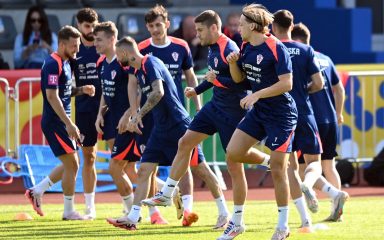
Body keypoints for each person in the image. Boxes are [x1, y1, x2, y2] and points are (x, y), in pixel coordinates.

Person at [141, 9, 270, 231]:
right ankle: (167, 193)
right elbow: (215, 77)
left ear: (213, 28)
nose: (197, 34)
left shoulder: (229, 47)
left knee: (234, 165)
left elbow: (242, 82)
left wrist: (215, 81)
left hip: (232, 112)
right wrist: (197, 89)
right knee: (184, 142)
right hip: (214, 108)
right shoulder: (211, 49)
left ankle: (238, 212)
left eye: (200, 30)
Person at [138, 5, 230, 228]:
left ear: (167, 24)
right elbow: (133, 82)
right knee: (148, 168)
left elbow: (190, 77)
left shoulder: (181, 47)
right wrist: (134, 112)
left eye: (158, 25)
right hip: (152, 118)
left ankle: (191, 210)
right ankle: (153, 214)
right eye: (150, 26)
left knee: (194, 165)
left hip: (178, 116)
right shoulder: (141, 49)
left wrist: (198, 106)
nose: (155, 30)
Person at [105, 36, 203, 231]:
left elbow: (158, 93)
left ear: (125, 53)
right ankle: (132, 218)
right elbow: (137, 91)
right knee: (143, 171)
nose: (117, 59)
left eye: (118, 55)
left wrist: (137, 115)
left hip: (177, 123)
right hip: (160, 127)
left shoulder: (150, 63)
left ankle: (224, 213)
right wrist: (134, 114)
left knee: (201, 169)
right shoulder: (138, 69)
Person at [225, 4, 297, 239]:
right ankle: (236, 224)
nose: (238, 27)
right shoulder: (245, 46)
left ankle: (282, 227)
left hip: (281, 115)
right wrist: (233, 63)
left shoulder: (276, 47)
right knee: (233, 153)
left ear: (254, 25)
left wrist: (256, 94)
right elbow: (239, 81)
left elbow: (287, 84)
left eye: (242, 24)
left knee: (278, 170)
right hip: (260, 112)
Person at [272, 10, 348, 231]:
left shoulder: (274, 50)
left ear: (274, 27)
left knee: (292, 166)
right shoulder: (313, 54)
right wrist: (338, 112)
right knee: (324, 164)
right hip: (315, 116)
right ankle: (333, 199)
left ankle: (304, 212)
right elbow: (330, 86)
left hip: (285, 116)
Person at [25, 25, 95, 220]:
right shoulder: (52, 63)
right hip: (55, 121)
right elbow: (51, 96)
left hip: (62, 120)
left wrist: (82, 90)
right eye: (74, 46)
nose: (77, 50)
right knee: (72, 163)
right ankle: (68, 211)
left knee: (72, 163)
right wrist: (69, 124)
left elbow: (64, 91)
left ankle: (37, 190)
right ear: (62, 44)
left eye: (78, 46)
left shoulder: (66, 62)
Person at [292, 22, 347, 222]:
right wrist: (339, 113)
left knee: (300, 167)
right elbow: (339, 89)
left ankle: (312, 195)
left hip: (309, 121)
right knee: (329, 165)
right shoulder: (325, 59)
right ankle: (336, 208)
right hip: (330, 119)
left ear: (296, 41)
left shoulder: (299, 60)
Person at [93, 21, 141, 217]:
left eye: (99, 40)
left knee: (117, 168)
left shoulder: (124, 63)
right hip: (112, 121)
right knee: (129, 169)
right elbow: (106, 91)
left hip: (126, 124)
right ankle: (167, 194)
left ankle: (133, 211)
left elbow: (138, 91)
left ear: (112, 39)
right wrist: (99, 114)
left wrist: (130, 114)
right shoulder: (101, 63)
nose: (95, 43)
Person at [72, 7, 100, 220]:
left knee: (126, 160)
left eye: (93, 25)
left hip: (109, 108)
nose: (91, 30)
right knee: (88, 157)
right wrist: (81, 90)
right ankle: (90, 207)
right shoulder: (74, 50)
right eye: (87, 26)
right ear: (79, 26)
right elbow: (65, 86)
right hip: (85, 110)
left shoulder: (104, 44)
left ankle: (138, 206)